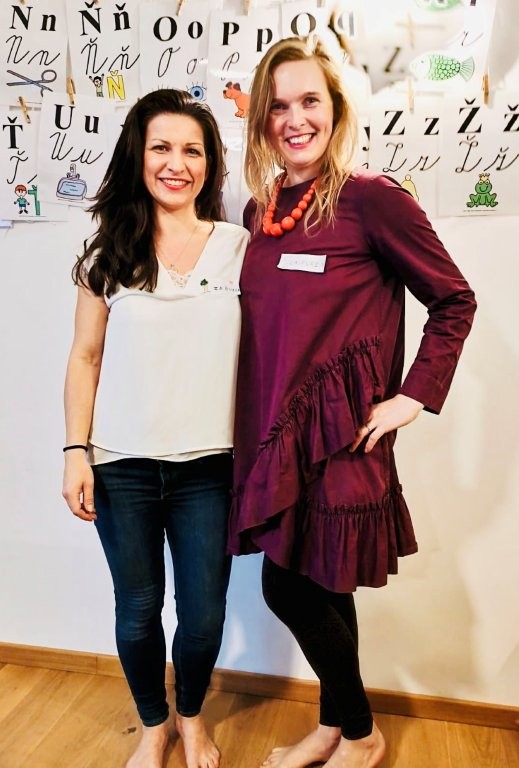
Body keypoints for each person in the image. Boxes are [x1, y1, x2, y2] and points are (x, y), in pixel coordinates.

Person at [229, 36, 477, 768]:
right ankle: (333, 727)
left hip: (342, 439)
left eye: (309, 101)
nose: (294, 119)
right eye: (278, 106)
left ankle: (363, 735)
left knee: (290, 588)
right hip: (276, 434)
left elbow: (454, 300)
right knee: (321, 583)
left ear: (336, 110)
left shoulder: (373, 199)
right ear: (262, 120)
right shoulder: (261, 210)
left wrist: (412, 397)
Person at [62, 88, 249, 768]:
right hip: (121, 465)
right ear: (137, 157)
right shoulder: (107, 252)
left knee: (202, 615)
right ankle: (153, 723)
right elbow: (85, 358)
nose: (177, 163)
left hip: (211, 467)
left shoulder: (239, 248)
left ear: (210, 164)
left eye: (192, 150)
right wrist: (75, 452)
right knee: (138, 611)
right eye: (161, 147)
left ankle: (191, 716)